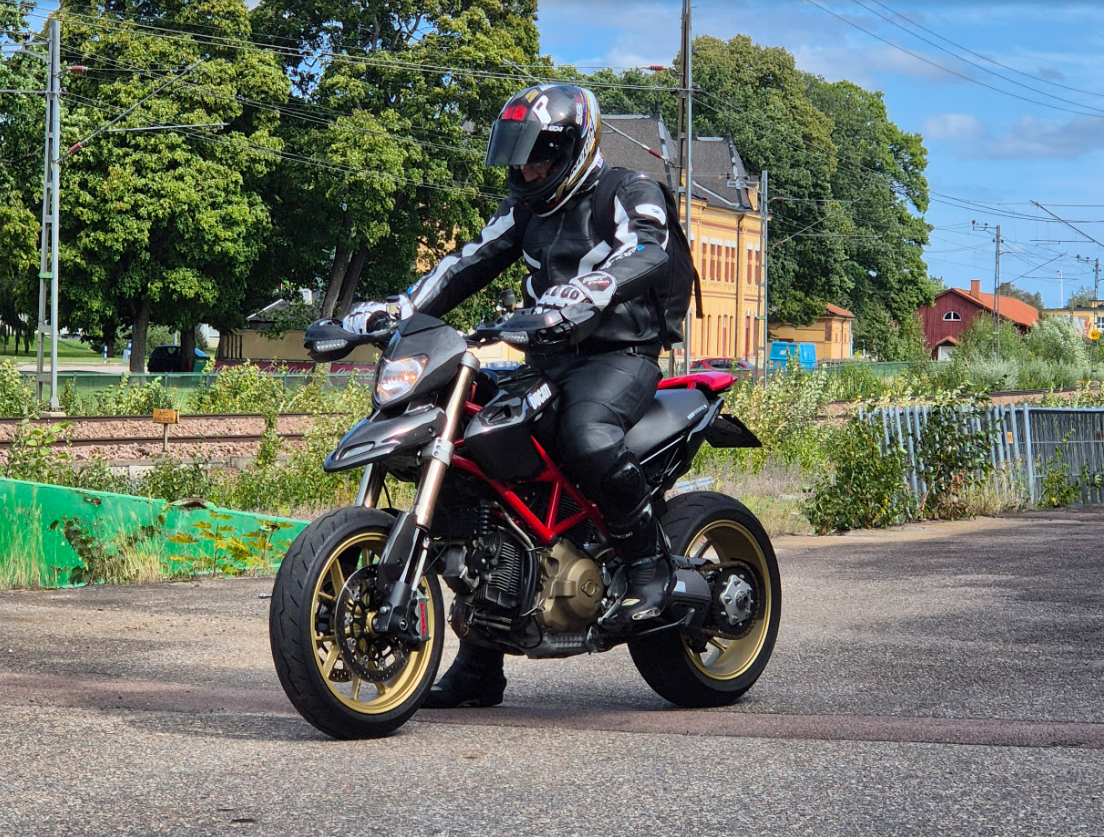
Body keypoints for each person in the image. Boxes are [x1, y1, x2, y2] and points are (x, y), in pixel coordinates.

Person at [344, 84, 676, 708]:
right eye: (518, 157)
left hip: (617, 357)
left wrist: (587, 292)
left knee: (585, 435)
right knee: (478, 461)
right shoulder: (526, 208)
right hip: (547, 360)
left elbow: (647, 251)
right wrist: (393, 310)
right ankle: (478, 665)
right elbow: (463, 264)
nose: (525, 170)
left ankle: (651, 565)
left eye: (538, 156)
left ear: (575, 146)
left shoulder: (628, 191)